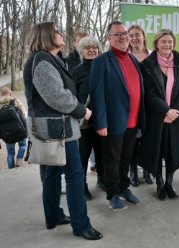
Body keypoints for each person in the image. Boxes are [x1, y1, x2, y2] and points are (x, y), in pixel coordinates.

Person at [23, 21, 102, 240]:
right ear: (47, 35)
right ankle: (81, 225)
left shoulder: (49, 59)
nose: (61, 34)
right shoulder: (43, 61)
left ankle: (54, 216)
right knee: (75, 177)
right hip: (57, 129)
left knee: (52, 173)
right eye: (57, 31)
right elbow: (56, 96)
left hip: (53, 127)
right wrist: (82, 111)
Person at [89, 21, 145, 210]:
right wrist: (101, 122)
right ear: (109, 38)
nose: (123, 37)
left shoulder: (133, 60)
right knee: (111, 160)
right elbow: (97, 95)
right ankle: (112, 193)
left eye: (125, 34)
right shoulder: (101, 61)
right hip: (112, 122)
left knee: (125, 158)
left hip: (133, 121)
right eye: (118, 34)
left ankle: (124, 188)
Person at [138, 29, 179, 200]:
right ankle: (159, 183)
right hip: (157, 116)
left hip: (176, 117)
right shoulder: (147, 64)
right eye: (163, 41)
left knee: (172, 151)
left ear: (174, 43)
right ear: (156, 44)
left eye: (170, 41)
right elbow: (149, 93)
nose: (167, 44)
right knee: (157, 150)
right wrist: (165, 110)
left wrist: (175, 111)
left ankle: (169, 183)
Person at [72, 36, 104, 200]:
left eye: (94, 47)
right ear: (81, 51)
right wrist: (82, 111)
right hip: (84, 123)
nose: (92, 50)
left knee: (101, 153)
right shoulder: (77, 71)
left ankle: (102, 180)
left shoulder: (105, 68)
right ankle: (82, 185)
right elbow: (72, 96)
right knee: (83, 155)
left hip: (102, 121)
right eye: (87, 47)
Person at [127, 24, 154, 186]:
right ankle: (133, 171)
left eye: (137, 34)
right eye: (131, 35)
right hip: (132, 105)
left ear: (143, 36)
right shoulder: (126, 56)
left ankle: (148, 170)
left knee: (149, 139)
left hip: (151, 104)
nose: (135, 38)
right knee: (133, 140)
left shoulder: (153, 55)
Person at [0, 87, 27, 169]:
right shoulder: (16, 101)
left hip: (7, 134)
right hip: (19, 131)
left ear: (1, 95)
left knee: (10, 153)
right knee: (23, 146)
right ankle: (19, 160)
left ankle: (11, 170)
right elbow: (24, 115)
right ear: (10, 93)